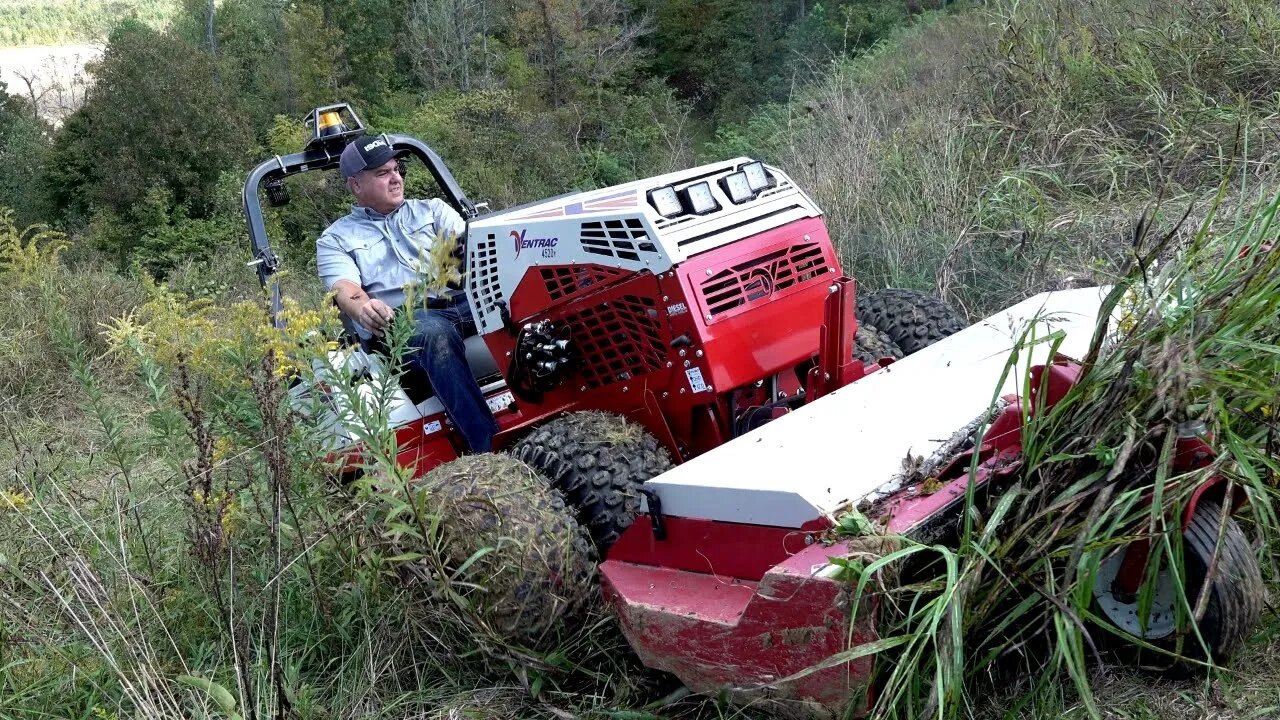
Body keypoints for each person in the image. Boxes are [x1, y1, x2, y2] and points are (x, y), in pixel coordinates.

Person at [315, 134, 499, 453]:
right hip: (405, 323)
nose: (396, 178)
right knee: (434, 334)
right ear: (356, 185)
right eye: (382, 173)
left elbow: (470, 250)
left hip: (463, 298)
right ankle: (490, 449)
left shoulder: (432, 211)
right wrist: (364, 309)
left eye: (396, 169)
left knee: (524, 291)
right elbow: (345, 289)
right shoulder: (335, 239)